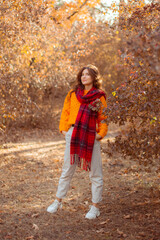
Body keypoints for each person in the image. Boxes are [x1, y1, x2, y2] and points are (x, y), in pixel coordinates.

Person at [47, 64, 108, 219]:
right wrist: (64, 130)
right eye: (82, 74)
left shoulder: (99, 96)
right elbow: (65, 112)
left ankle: (95, 207)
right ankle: (58, 201)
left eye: (87, 74)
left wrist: (100, 135)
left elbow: (103, 118)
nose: (84, 77)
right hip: (73, 134)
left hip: (90, 135)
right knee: (67, 170)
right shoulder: (73, 94)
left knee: (95, 172)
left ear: (94, 77)